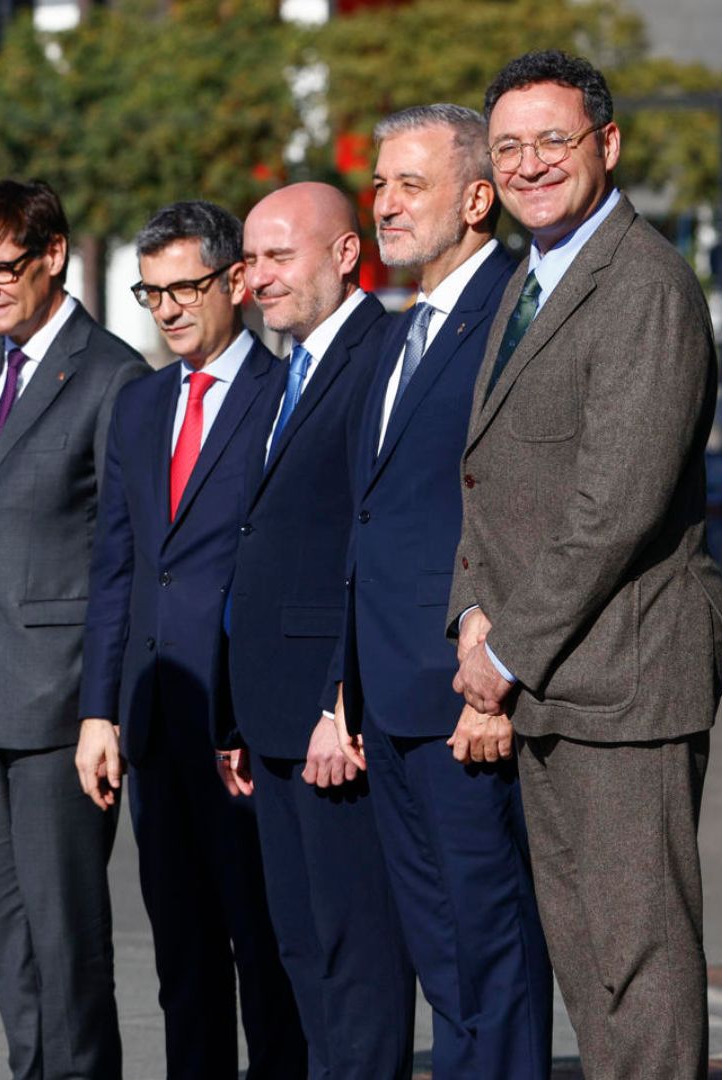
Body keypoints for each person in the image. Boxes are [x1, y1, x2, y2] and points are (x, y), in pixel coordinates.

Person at [451, 51, 722, 1077]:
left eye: (553, 141)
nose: (529, 165)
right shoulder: (535, 275)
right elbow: (489, 474)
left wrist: (505, 646)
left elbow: (614, 505)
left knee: (638, 973)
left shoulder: (644, 285)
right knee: (588, 968)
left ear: (607, 145)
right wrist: (471, 614)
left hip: (624, 687)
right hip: (553, 682)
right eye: (510, 145)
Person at [334, 102, 553, 1079]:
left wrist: (496, 674)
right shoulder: (393, 333)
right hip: (389, 694)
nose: (385, 204)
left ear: (477, 197)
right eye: (379, 184)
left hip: (469, 692)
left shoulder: (518, 313)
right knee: (442, 960)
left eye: (409, 185)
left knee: (492, 949)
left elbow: (527, 505)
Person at [80, 200, 305, 1080]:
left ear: (237, 283)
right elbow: (118, 569)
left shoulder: (284, 395)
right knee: (182, 958)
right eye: (152, 291)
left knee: (264, 948)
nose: (168, 307)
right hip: (153, 721)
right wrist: (99, 711)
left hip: (241, 728)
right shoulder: (138, 407)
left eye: (187, 287)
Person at [0, 178, 148, 1080]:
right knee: (7, 928)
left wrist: (106, 708)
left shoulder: (111, 375)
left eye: (2, 268)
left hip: (63, 702)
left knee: (66, 933)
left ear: (53, 255)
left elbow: (121, 558)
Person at [227, 182, 415, 1077]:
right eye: (250, 259)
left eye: (278, 256)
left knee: (358, 957)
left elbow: (373, 538)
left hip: (333, 718)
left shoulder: (383, 357)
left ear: (346, 255)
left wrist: (344, 697)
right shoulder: (284, 369)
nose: (257, 277)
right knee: (299, 948)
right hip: (268, 714)